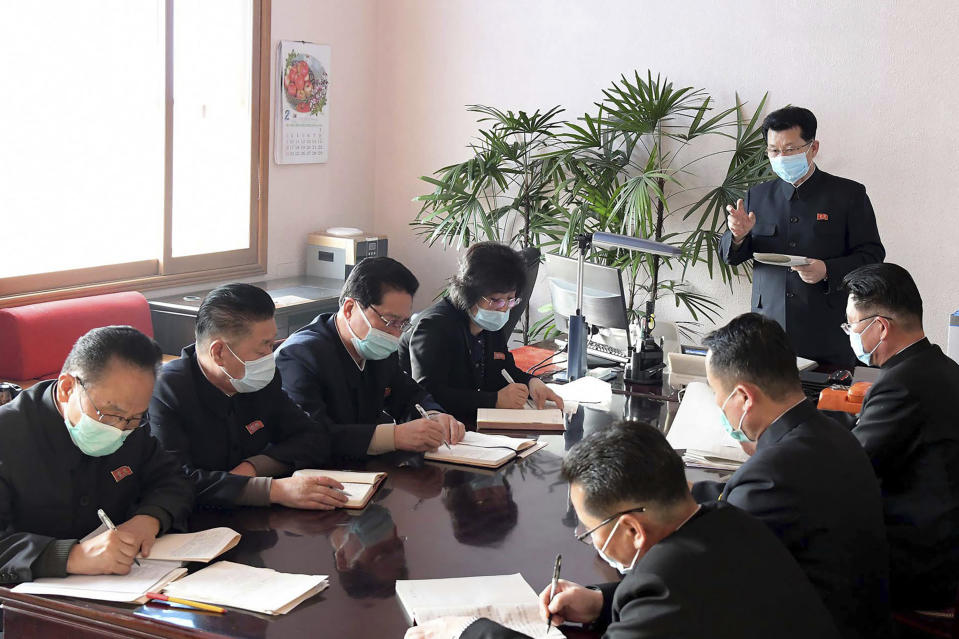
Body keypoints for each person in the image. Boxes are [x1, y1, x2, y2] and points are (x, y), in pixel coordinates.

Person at [407, 422, 840, 639]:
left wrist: (471, 632)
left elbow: (668, 598)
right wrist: (599, 601)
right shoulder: (733, 522)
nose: (591, 539)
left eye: (590, 529)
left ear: (631, 528)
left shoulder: (664, 586)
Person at [691, 312, 890, 639]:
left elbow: (704, 573)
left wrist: (605, 598)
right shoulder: (831, 433)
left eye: (716, 393)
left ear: (743, 398)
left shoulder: (771, 474)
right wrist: (684, 494)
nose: (717, 404)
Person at [0, 326, 193, 582]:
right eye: (110, 415)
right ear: (67, 388)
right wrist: (72, 556)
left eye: (134, 418)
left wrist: (150, 519)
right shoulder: (9, 434)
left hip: (125, 584)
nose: (120, 429)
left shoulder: (130, 423)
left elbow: (174, 479)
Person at [149, 284, 348, 510]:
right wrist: (274, 490)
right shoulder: (166, 392)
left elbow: (314, 437)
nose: (269, 357)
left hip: (255, 517)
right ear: (219, 353)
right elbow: (177, 482)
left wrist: (252, 468)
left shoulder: (259, 378)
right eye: (262, 349)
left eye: (271, 344)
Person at [719, 106, 884, 368]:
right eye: (774, 150)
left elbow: (873, 256)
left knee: (826, 407)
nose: (781, 157)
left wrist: (827, 269)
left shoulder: (848, 195)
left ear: (813, 147)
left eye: (791, 149)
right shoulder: (757, 196)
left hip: (826, 332)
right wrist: (737, 236)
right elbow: (732, 256)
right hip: (767, 331)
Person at [842, 263, 959, 609]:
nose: (848, 333)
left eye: (851, 324)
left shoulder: (901, 384)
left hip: (917, 564)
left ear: (879, 327)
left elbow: (850, 469)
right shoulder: (943, 368)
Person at [276, 257, 465, 457]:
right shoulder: (301, 356)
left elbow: (409, 394)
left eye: (403, 323)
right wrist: (394, 437)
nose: (396, 334)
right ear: (349, 309)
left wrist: (434, 415)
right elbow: (311, 436)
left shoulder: (377, 346)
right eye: (390, 321)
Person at [400, 242, 563, 425]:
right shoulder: (433, 327)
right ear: (469, 293)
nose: (503, 309)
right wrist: (494, 400)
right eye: (495, 300)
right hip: (436, 428)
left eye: (510, 299)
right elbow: (428, 394)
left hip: (473, 422)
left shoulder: (490, 322)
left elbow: (503, 369)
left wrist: (531, 383)